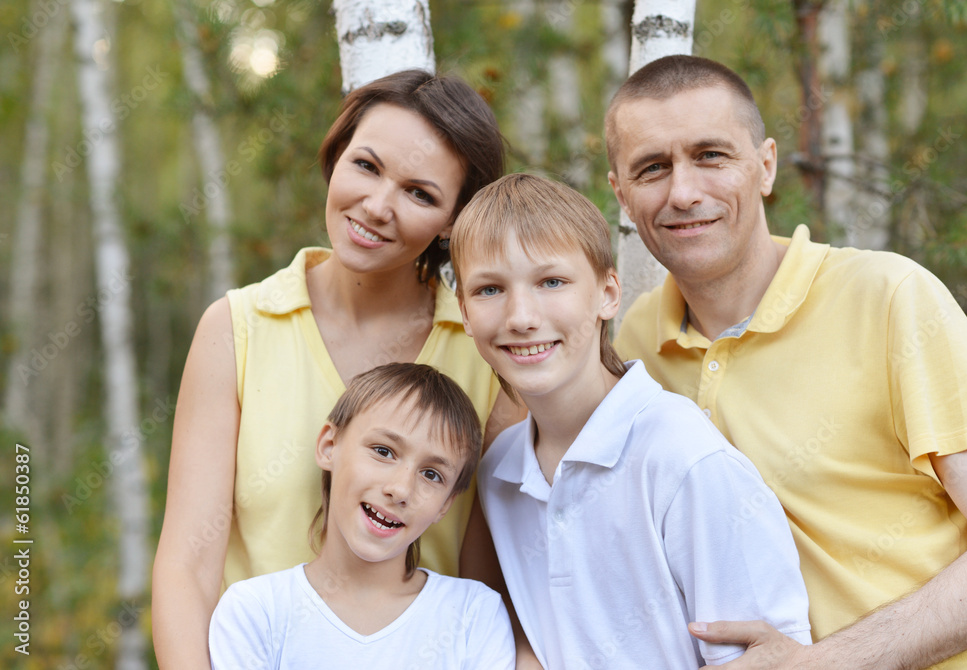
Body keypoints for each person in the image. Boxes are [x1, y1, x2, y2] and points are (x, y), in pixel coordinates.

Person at [607, 54, 967, 669]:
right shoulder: (633, 346)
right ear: (622, 196)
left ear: (764, 166)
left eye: (711, 156)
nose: (683, 192)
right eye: (652, 168)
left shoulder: (890, 297)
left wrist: (826, 662)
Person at [152, 69, 521, 670]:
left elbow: (492, 585)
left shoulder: (488, 354)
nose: (377, 206)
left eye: (420, 194)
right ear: (336, 155)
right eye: (367, 166)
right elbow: (187, 567)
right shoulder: (237, 328)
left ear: (454, 220)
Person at [450, 172, 812, 669]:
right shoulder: (500, 474)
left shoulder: (682, 457)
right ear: (465, 314)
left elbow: (768, 657)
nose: (520, 316)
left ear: (607, 293)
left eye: (551, 281)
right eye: (489, 289)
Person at [208, 363, 516, 669]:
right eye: (383, 451)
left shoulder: (474, 616)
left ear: (446, 503)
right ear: (329, 446)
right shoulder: (256, 611)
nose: (400, 489)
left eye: (431, 474)